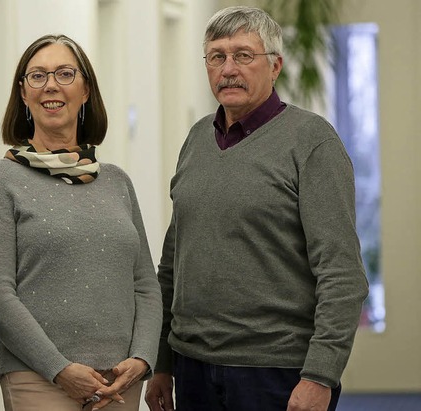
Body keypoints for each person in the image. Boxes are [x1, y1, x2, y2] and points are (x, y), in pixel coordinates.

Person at [145, 6, 369, 411]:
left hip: (276, 373)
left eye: (243, 55)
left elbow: (342, 273)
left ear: (275, 66)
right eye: (217, 56)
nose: (228, 69)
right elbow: (174, 263)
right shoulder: (196, 140)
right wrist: (161, 360)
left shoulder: (311, 142)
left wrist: (321, 374)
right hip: (192, 367)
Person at [0, 33, 162, 411]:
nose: (51, 86)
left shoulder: (117, 181)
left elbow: (145, 284)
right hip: (38, 378)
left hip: (120, 381)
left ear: (86, 90)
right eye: (37, 76)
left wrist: (142, 359)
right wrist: (59, 368)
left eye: (64, 73)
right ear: (23, 94)